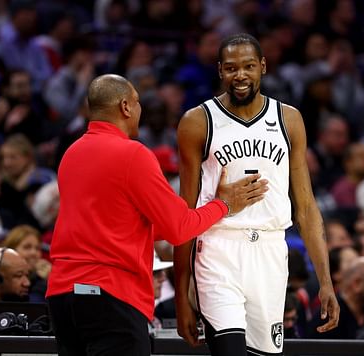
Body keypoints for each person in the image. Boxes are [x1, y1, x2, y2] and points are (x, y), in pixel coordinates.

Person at [46, 74, 268, 356]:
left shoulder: (72, 153)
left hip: (62, 296)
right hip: (111, 295)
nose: (140, 111)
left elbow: (125, 225)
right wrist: (224, 205)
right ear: (125, 107)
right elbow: (178, 228)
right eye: (137, 103)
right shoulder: (132, 155)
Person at [173, 33, 339, 356]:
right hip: (219, 249)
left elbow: (305, 207)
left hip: (271, 250)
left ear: (262, 66)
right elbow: (185, 212)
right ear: (220, 71)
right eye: (231, 68)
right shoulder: (197, 122)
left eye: (249, 66)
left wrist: (326, 280)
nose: (241, 75)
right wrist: (182, 295)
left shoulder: (289, 119)